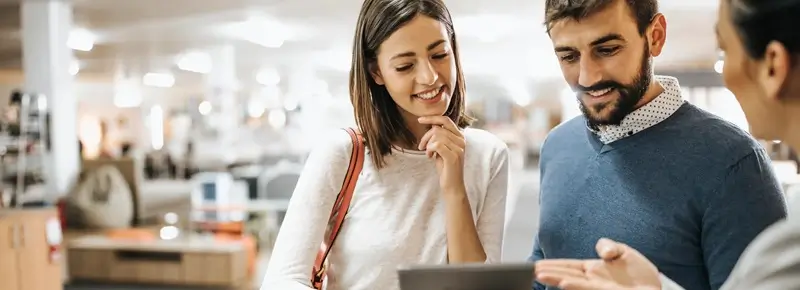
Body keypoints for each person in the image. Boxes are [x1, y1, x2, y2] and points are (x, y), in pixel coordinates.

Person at [534, 0, 800, 289]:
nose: (587, 77)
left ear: (655, 36)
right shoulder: (556, 146)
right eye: (569, 57)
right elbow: (543, 270)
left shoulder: (734, 163)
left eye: (607, 50)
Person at [262, 0, 509, 289]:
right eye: (405, 66)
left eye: (440, 54)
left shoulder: (489, 156)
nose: (430, 77)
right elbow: (283, 279)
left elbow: (480, 287)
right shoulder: (342, 153)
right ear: (376, 72)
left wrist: (454, 189)